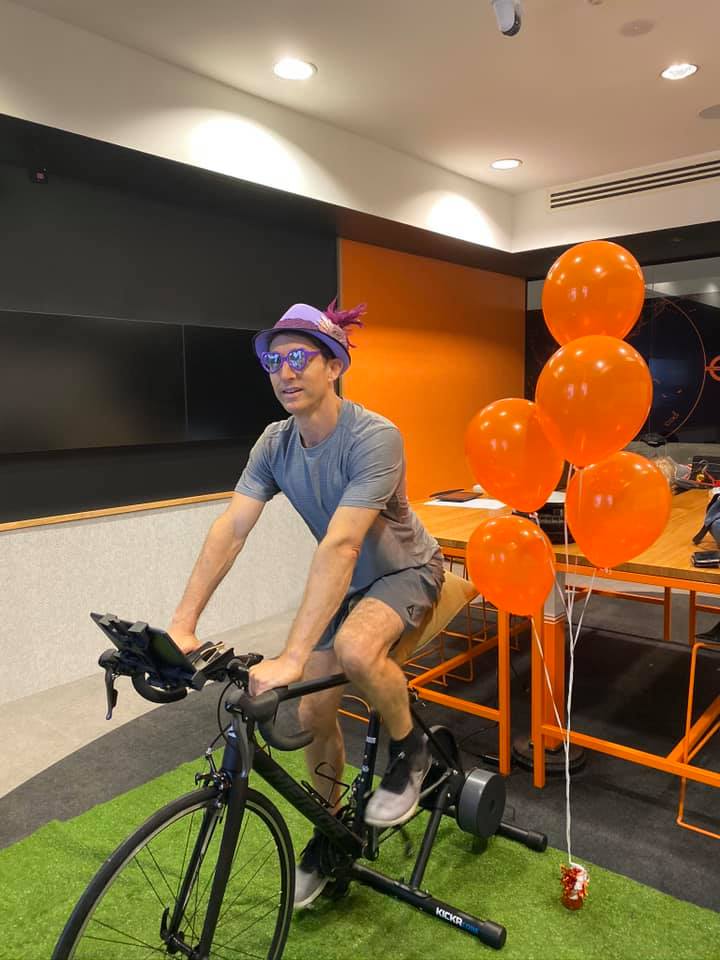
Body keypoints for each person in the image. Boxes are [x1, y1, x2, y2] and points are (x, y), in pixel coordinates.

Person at [168, 299, 445, 908]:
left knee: (355, 647)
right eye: (275, 361)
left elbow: (343, 544)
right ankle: (332, 830)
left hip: (406, 570)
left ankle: (412, 749)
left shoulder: (374, 437)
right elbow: (231, 529)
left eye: (300, 358)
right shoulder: (275, 443)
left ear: (335, 366)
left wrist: (293, 655)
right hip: (347, 582)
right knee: (316, 712)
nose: (285, 372)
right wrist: (182, 625)